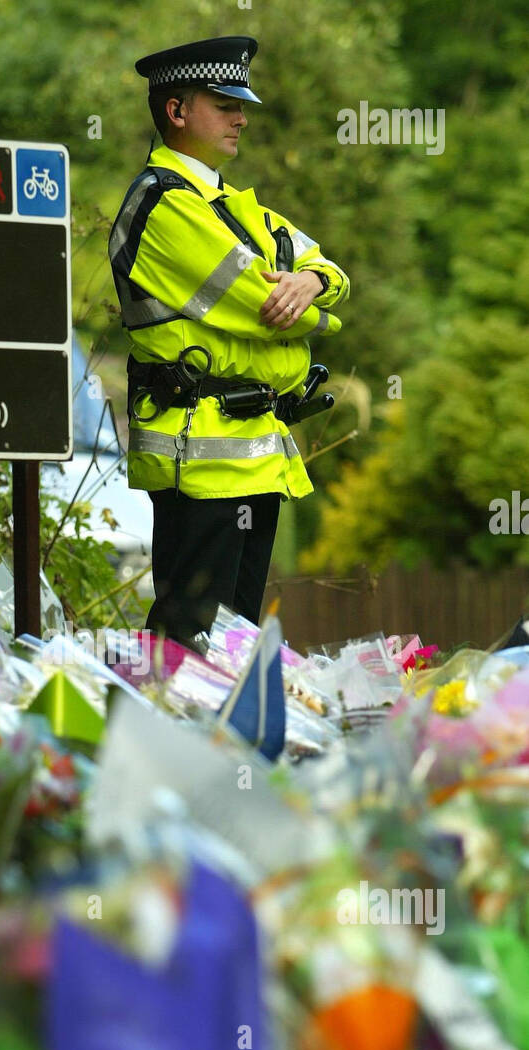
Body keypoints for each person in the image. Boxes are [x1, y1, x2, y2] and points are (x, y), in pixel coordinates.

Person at [109, 35, 350, 648]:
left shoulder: (233, 205)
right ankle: (156, 743)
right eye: (224, 102)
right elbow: (264, 308)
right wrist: (310, 310)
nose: (242, 116)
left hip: (251, 454)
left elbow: (333, 274)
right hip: (198, 458)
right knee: (186, 641)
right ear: (177, 111)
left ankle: (219, 747)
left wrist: (310, 281)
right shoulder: (163, 204)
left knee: (233, 645)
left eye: (241, 102)